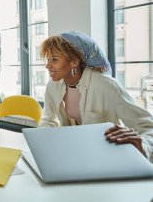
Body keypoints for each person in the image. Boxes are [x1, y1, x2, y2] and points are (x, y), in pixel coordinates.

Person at [39, 30, 153, 162]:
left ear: (74, 62)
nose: (48, 65)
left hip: (106, 157)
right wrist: (42, 139)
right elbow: (49, 119)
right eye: (48, 59)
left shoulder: (106, 86)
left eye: (54, 59)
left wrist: (143, 146)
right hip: (74, 154)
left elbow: (147, 125)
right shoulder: (52, 86)